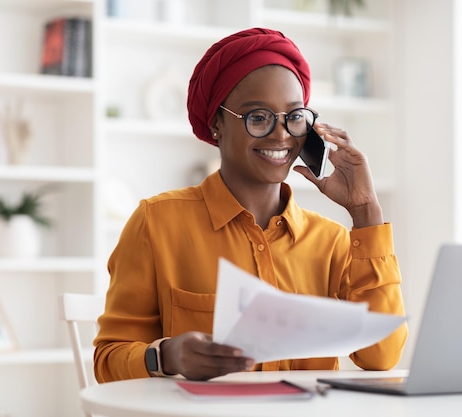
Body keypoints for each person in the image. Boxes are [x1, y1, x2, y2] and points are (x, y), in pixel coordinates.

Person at [93, 27, 408, 382]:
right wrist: (168, 355)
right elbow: (108, 362)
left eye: (294, 116)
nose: (281, 134)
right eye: (258, 117)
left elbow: (382, 357)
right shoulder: (157, 223)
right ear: (217, 124)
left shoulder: (331, 241)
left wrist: (366, 212)